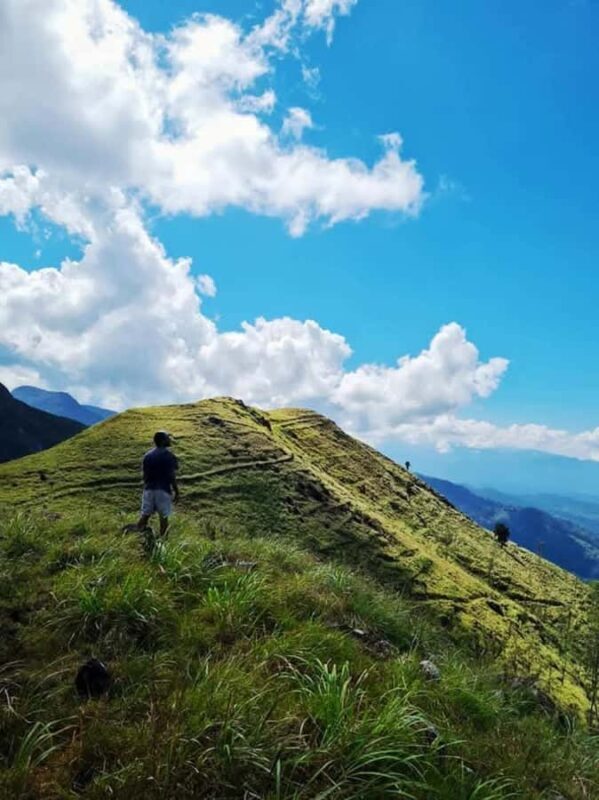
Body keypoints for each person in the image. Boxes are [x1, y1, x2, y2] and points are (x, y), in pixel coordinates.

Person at [135, 430, 180, 538]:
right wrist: (176, 491)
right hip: (163, 490)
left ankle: (137, 537)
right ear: (163, 441)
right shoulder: (169, 456)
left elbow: (144, 475)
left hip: (148, 489)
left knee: (145, 515)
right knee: (163, 517)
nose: (169, 439)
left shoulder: (147, 455)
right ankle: (163, 542)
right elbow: (171, 475)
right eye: (167, 438)